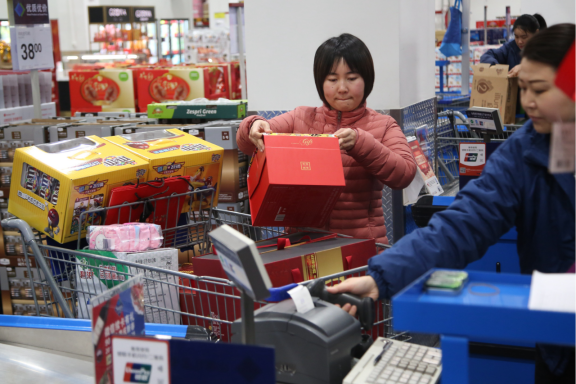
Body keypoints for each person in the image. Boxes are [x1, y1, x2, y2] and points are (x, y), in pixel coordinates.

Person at [329, 24, 575, 383]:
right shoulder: (524, 154)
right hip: (559, 346)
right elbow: (461, 223)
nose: (528, 102)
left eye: (539, 89)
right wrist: (381, 276)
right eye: (522, 88)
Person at [237, 33, 417, 244]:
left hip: (359, 247)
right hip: (303, 245)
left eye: (351, 78)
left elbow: (404, 174)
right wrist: (253, 125)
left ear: (366, 79)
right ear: (320, 82)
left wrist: (360, 142)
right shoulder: (300, 117)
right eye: (332, 80)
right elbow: (248, 144)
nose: (342, 88)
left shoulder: (384, 125)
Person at [480, 13, 546, 78]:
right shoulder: (510, 48)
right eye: (516, 37)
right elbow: (487, 56)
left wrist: (524, 67)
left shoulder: (545, 49)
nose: (519, 41)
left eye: (524, 37)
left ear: (536, 33)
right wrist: (495, 67)